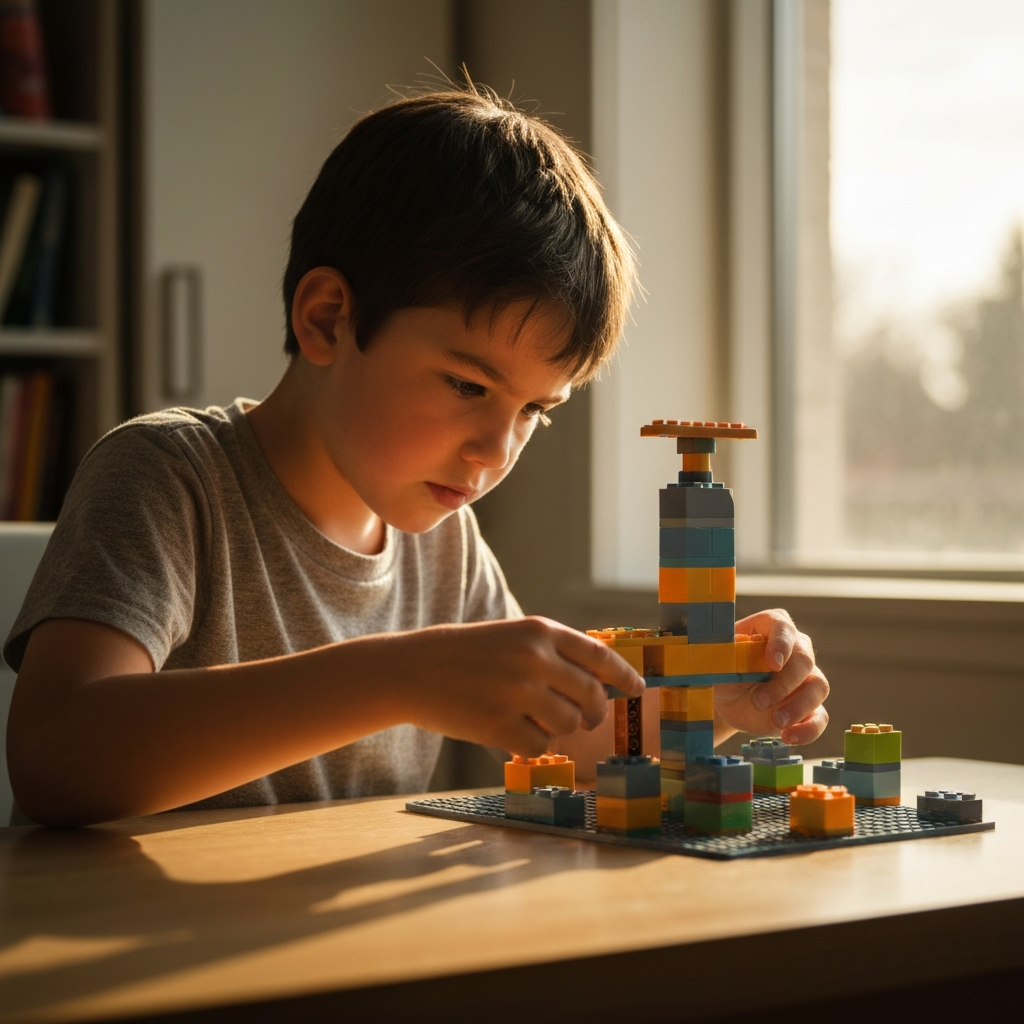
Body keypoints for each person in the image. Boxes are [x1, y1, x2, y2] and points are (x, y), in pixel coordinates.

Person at [4, 89, 828, 827]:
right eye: (470, 386)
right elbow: (54, 756)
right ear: (328, 318)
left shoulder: (444, 539)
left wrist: (712, 701)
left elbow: (573, 737)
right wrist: (395, 677)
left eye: (535, 411)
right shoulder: (167, 477)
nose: (496, 450)